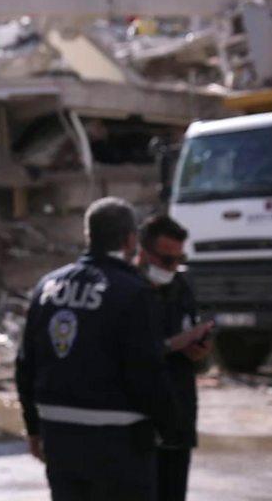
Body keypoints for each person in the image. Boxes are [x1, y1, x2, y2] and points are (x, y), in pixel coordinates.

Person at [15, 197, 202, 501]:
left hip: (60, 438)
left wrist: (33, 428)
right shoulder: (133, 292)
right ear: (131, 240)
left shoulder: (48, 287)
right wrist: (170, 428)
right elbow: (146, 372)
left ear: (88, 235)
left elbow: (26, 365)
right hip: (120, 443)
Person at [136, 215, 214, 501]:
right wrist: (169, 345)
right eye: (167, 260)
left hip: (178, 418)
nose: (173, 268)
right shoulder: (125, 292)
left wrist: (201, 354)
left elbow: (198, 356)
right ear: (143, 254)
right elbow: (122, 355)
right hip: (139, 425)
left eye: (179, 259)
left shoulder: (181, 288)